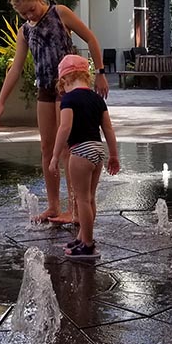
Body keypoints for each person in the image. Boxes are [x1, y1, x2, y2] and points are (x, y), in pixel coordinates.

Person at [0, 0, 109, 224]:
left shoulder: (60, 13)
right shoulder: (25, 30)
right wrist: (0, 102)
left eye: (32, 10)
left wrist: (100, 72)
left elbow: (90, 37)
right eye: (24, 14)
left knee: (68, 147)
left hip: (69, 87)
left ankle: (74, 208)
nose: (29, 16)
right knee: (47, 148)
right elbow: (15, 68)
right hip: (45, 88)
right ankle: (54, 206)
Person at [49, 54, 119, 258]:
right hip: (97, 150)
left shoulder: (68, 99)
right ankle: (82, 237)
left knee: (81, 199)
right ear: (86, 77)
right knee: (89, 198)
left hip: (80, 151)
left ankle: (88, 245)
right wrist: (113, 155)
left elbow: (64, 128)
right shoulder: (97, 99)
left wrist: (54, 156)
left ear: (64, 80)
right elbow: (108, 129)